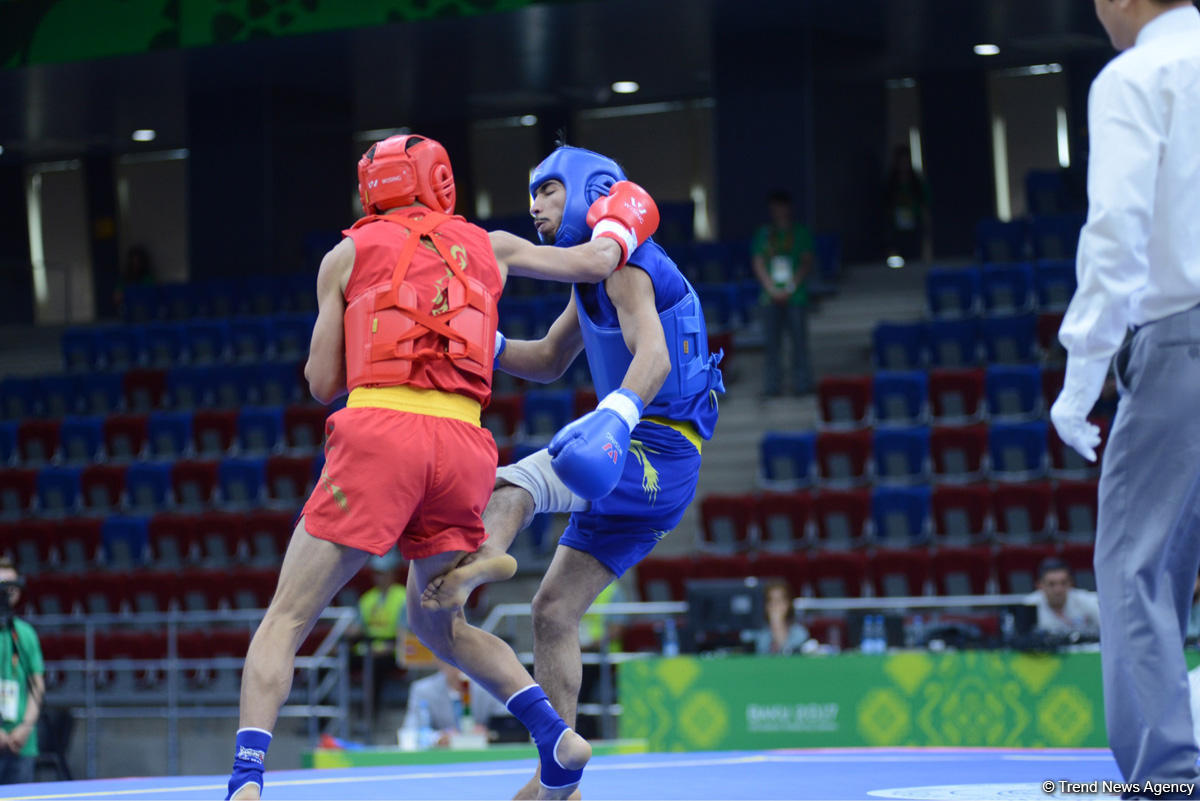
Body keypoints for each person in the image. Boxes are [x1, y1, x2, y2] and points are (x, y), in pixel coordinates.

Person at [224, 134, 660, 801]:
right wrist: (622, 217)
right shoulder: (492, 246)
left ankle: (245, 783)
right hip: (462, 442)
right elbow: (593, 261)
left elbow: (319, 381)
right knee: (440, 623)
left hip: (380, 432)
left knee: (286, 617)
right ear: (441, 182)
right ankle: (554, 733)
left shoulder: (344, 256)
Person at [422, 144, 724, 799]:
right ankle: (556, 774)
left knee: (521, 478)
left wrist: (613, 418)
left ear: (590, 189)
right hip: (635, 459)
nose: (536, 205)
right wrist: (482, 343)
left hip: (658, 450)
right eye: (532, 195)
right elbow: (550, 359)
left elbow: (655, 361)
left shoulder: (627, 267)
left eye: (550, 190)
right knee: (553, 611)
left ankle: (479, 559)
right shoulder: (591, 281)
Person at [1049, 0, 1200, 791]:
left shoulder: (1137, 75)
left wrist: (1081, 381)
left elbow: (1116, 236)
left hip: (1184, 340)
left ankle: (1170, 778)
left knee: (1135, 567)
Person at [750, 190, 814, 397]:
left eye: (781, 207)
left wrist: (789, 288)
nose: (778, 212)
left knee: (799, 343)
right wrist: (771, 288)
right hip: (769, 297)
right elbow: (758, 262)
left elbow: (806, 262)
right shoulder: (764, 234)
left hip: (796, 296)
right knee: (771, 345)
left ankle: (802, 385)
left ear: (788, 208)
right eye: (774, 208)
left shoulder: (800, 232)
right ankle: (772, 386)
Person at [0, 559, 43, 785]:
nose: (7, 592)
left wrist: (25, 727)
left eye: (12, 585)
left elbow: (37, 686)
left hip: (22, 744)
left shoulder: (25, 633)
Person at [402, 656, 508, 745]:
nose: (459, 669)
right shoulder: (423, 690)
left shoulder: (488, 687)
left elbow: (508, 724)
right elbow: (411, 731)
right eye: (453, 663)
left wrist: (489, 733)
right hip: (442, 760)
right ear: (440, 662)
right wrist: (438, 737)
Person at [1021, 559, 1101, 638]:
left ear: (1071, 583)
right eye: (1051, 584)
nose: (1058, 590)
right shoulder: (1028, 605)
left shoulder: (1088, 601)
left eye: (1063, 583)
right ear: (1040, 585)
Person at [754, 579, 809, 656]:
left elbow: (786, 655)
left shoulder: (800, 632)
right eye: (771, 600)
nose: (775, 605)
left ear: (788, 604)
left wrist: (777, 622)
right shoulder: (758, 634)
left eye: (779, 600)